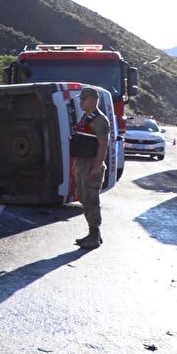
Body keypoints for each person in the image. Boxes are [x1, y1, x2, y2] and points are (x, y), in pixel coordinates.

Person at [71, 88, 110, 249]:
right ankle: (94, 234)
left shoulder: (99, 120)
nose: (81, 101)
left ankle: (94, 236)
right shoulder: (86, 118)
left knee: (91, 199)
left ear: (94, 100)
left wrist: (96, 167)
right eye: (81, 99)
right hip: (82, 164)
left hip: (91, 164)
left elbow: (103, 144)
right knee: (84, 197)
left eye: (84, 99)